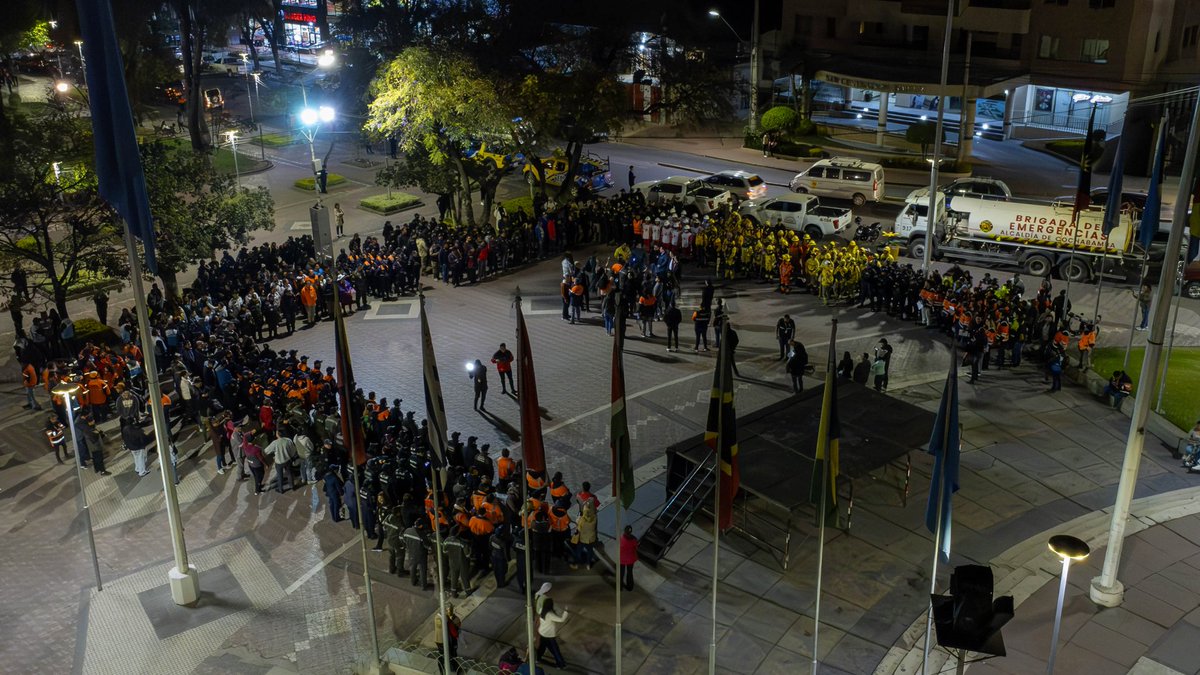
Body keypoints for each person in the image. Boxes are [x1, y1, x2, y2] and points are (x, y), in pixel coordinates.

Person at [535, 597, 569, 669]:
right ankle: (560, 664)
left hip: (542, 633)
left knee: (542, 647)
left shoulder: (541, 610)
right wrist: (566, 611)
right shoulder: (550, 614)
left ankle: (537, 658)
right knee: (555, 650)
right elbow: (561, 619)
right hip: (549, 636)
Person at [433, 604, 462, 673]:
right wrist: (450, 619)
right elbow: (449, 626)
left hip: (447, 640)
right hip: (442, 641)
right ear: (445, 610)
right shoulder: (439, 618)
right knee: (444, 656)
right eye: (449, 611)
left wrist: (452, 618)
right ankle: (443, 670)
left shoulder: (446, 617)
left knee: (451, 655)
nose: (450, 612)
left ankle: (454, 668)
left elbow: (457, 623)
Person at [575, 501, 598, 569]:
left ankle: (577, 564)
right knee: (590, 551)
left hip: (583, 538)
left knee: (578, 550)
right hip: (591, 538)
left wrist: (578, 518)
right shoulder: (594, 518)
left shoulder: (582, 520)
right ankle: (588, 564)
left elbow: (578, 528)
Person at [619, 525, 638, 591]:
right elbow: (636, 547)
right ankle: (630, 587)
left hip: (622, 559)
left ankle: (620, 587)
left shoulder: (621, 539)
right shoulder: (634, 539)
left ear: (624, 531)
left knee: (621, 573)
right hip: (630, 559)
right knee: (629, 572)